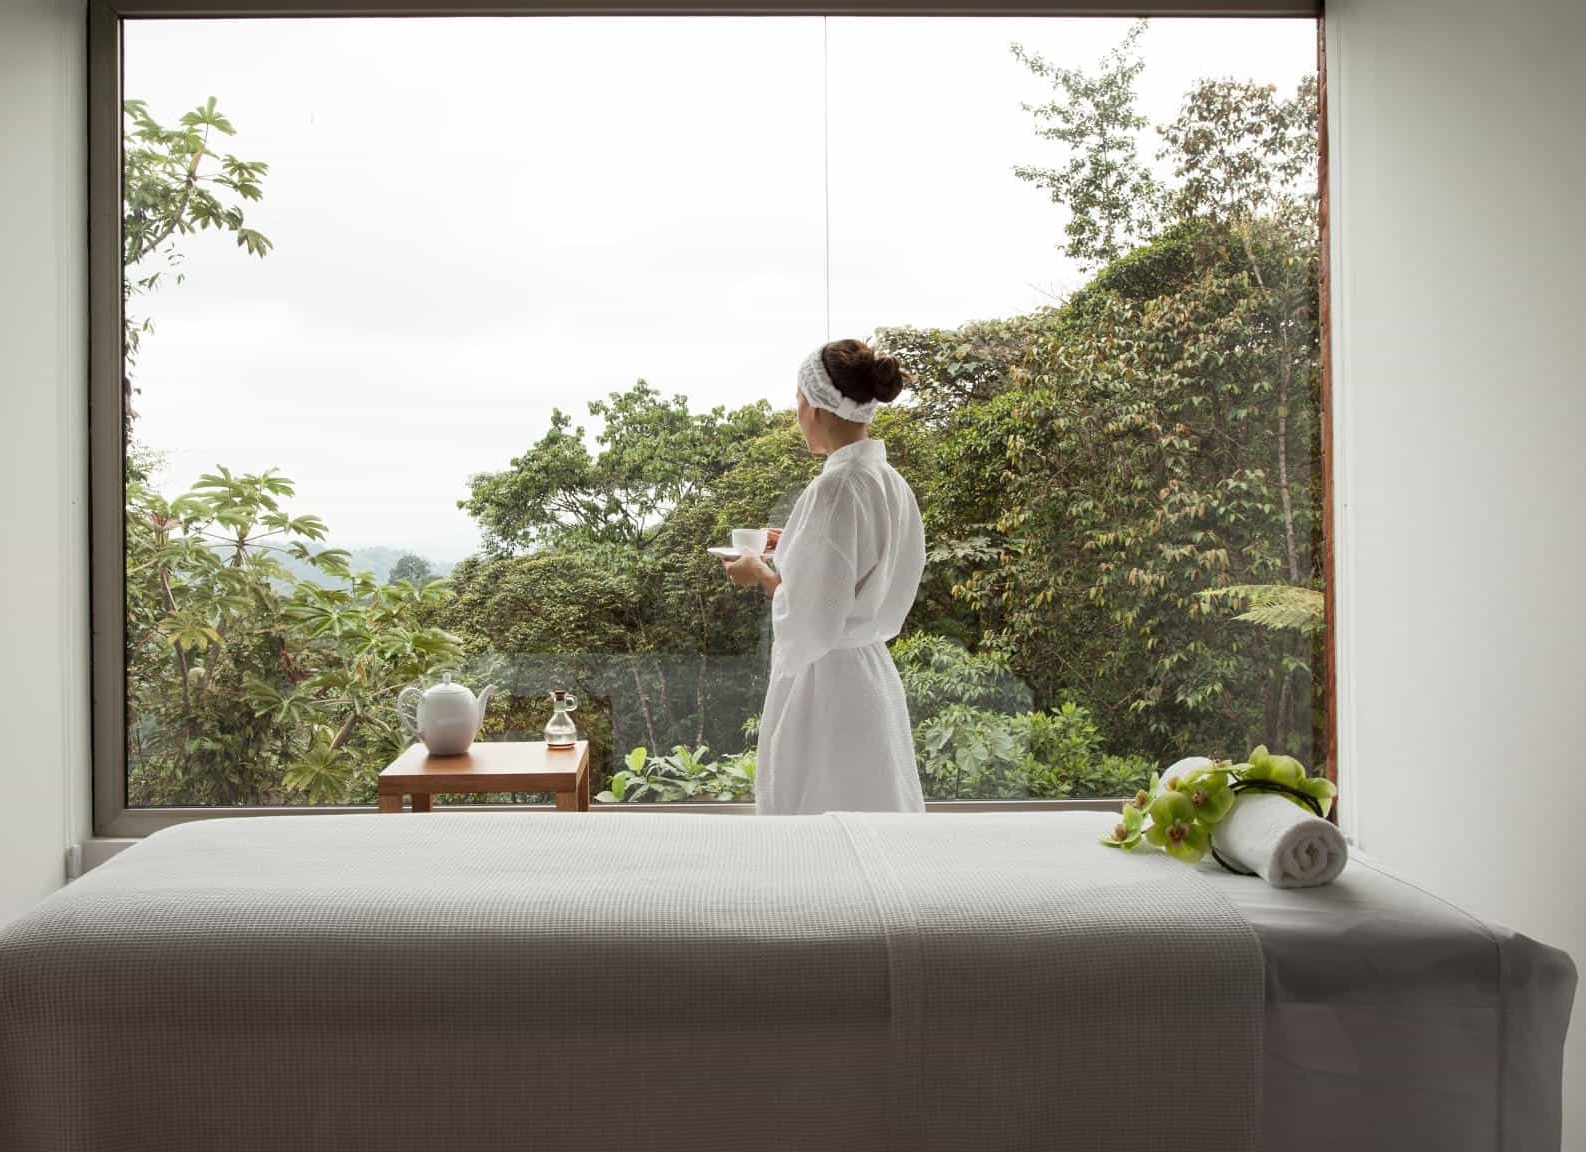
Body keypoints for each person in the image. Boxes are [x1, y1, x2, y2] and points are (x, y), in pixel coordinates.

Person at [721, 339, 927, 815]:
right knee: (876, 811)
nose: (796, 413)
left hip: (828, 684)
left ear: (814, 407)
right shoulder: (888, 481)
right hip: (872, 674)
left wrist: (761, 574)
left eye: (797, 400)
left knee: (816, 825)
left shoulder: (835, 487)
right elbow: (870, 568)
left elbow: (815, 615)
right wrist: (794, 540)